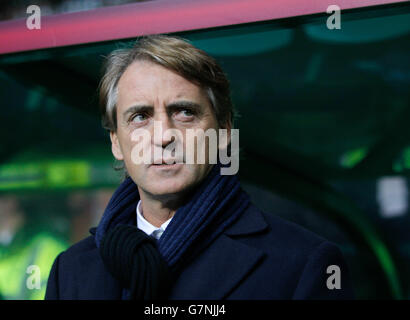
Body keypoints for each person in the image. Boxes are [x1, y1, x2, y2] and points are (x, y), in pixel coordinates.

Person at [45, 34, 354, 300]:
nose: (163, 136)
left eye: (184, 112)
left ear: (223, 130)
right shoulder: (70, 271)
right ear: (116, 141)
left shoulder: (303, 263)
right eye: (140, 116)